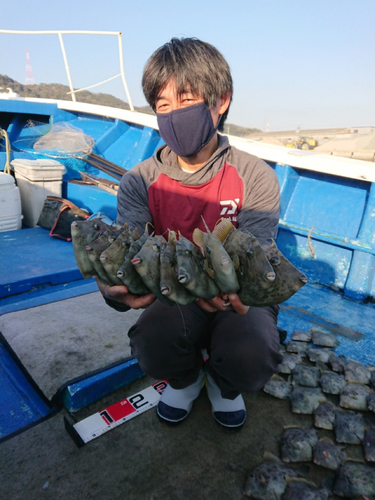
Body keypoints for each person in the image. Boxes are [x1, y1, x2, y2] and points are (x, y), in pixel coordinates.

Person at [96, 37, 282, 428]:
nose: (173, 114)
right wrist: (111, 285)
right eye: (163, 106)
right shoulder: (139, 181)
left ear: (222, 100)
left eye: (186, 100)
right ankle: (186, 378)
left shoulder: (254, 175)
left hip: (236, 297)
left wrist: (238, 290)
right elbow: (130, 250)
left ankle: (223, 385)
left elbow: (258, 256)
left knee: (252, 351)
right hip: (175, 293)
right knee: (151, 340)